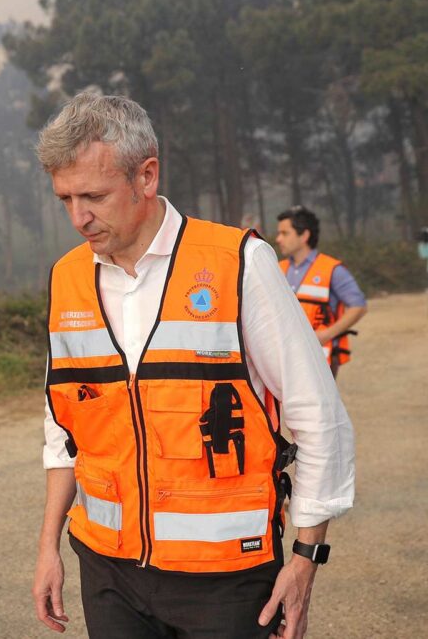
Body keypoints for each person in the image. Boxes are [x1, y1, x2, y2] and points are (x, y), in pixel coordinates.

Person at [30, 92, 355, 639]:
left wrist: (304, 559)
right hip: (107, 571)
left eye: (93, 195)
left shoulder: (237, 264)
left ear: (147, 175)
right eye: (64, 198)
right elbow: (64, 428)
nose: (78, 217)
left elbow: (318, 415)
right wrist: (47, 549)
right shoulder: (67, 279)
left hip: (226, 581)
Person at [274, 206, 368, 377]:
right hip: (286, 357)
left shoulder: (332, 269)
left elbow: (358, 306)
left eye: (284, 233)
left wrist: (326, 335)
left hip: (321, 358)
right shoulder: (278, 269)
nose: (278, 239)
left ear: (304, 235)